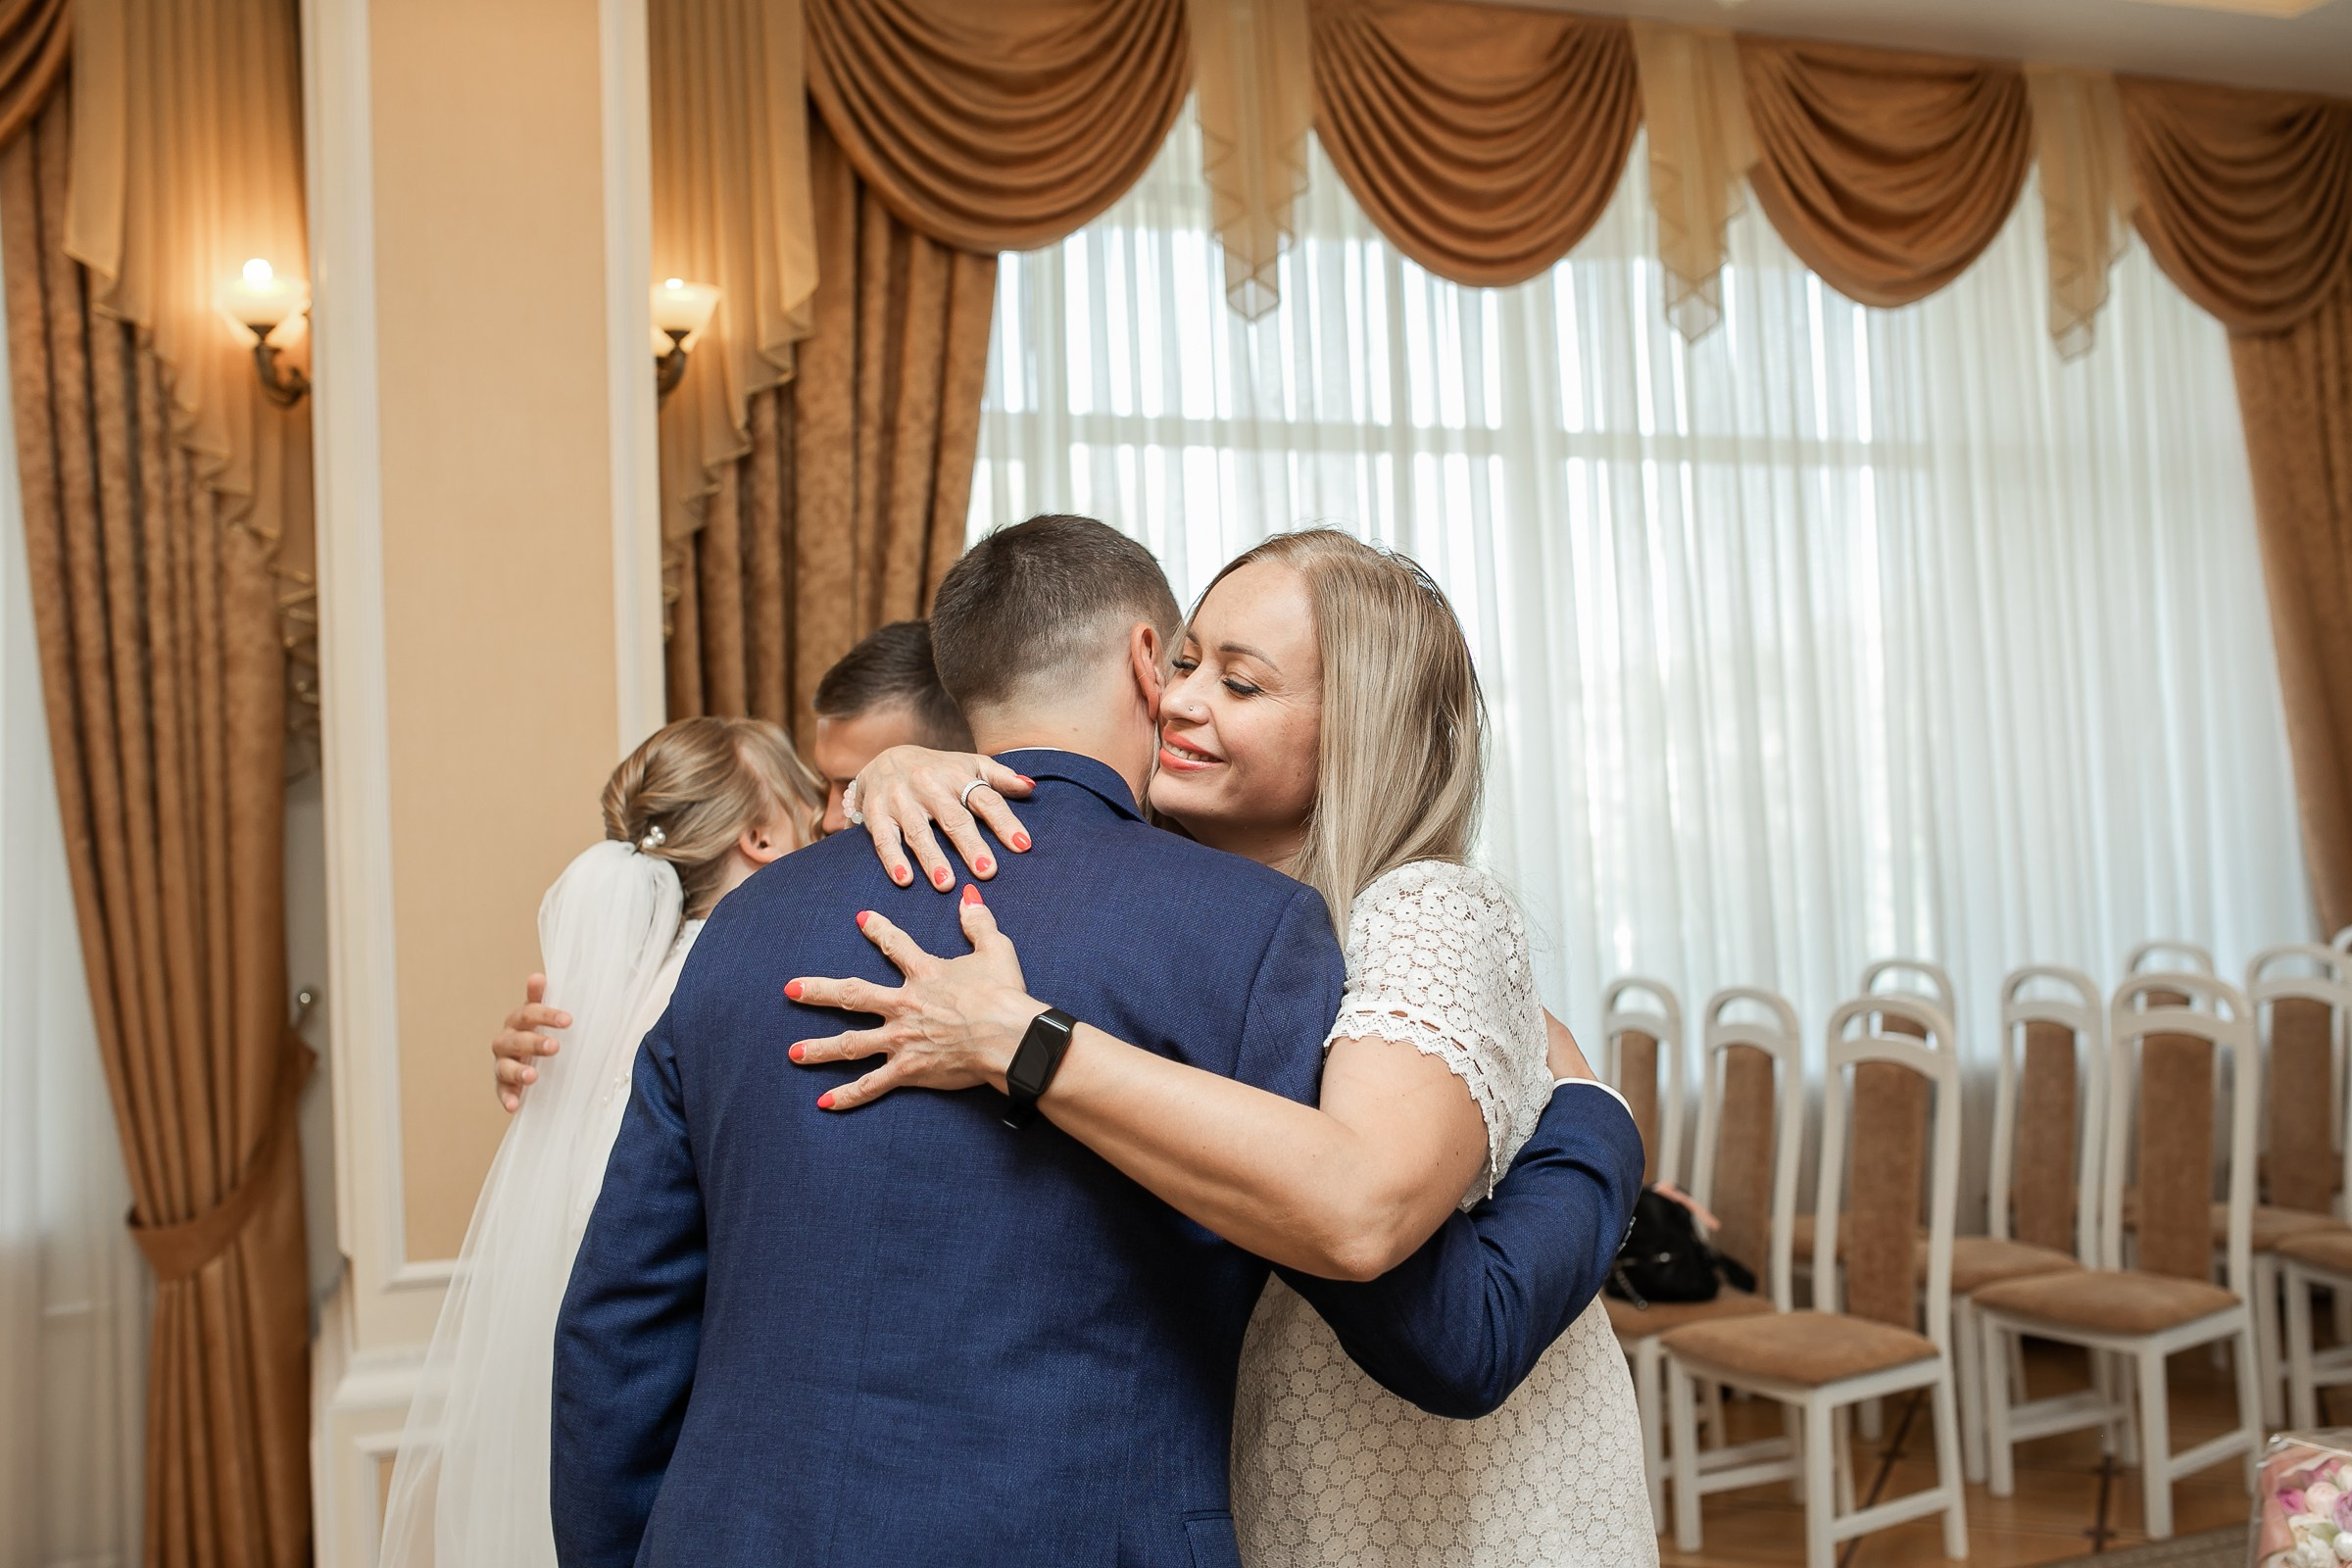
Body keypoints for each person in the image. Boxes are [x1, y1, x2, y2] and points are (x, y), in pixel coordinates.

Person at [552, 515, 1644, 1568]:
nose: (1179, 699)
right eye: (1183, 662)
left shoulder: (756, 923)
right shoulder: (1240, 934)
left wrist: (1596, 1116)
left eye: (1238, 679)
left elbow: (618, 1331)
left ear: (1360, 722)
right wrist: (897, 767)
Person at [377, 716, 824, 1568]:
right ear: (764, 837)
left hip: (601, 1416)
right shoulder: (743, 990)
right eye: (810, 805)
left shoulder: (608, 1002)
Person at [489, 621, 968, 1112]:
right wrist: (555, 1075)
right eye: (818, 785)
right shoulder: (740, 964)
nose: (825, 818)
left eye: (856, 786)